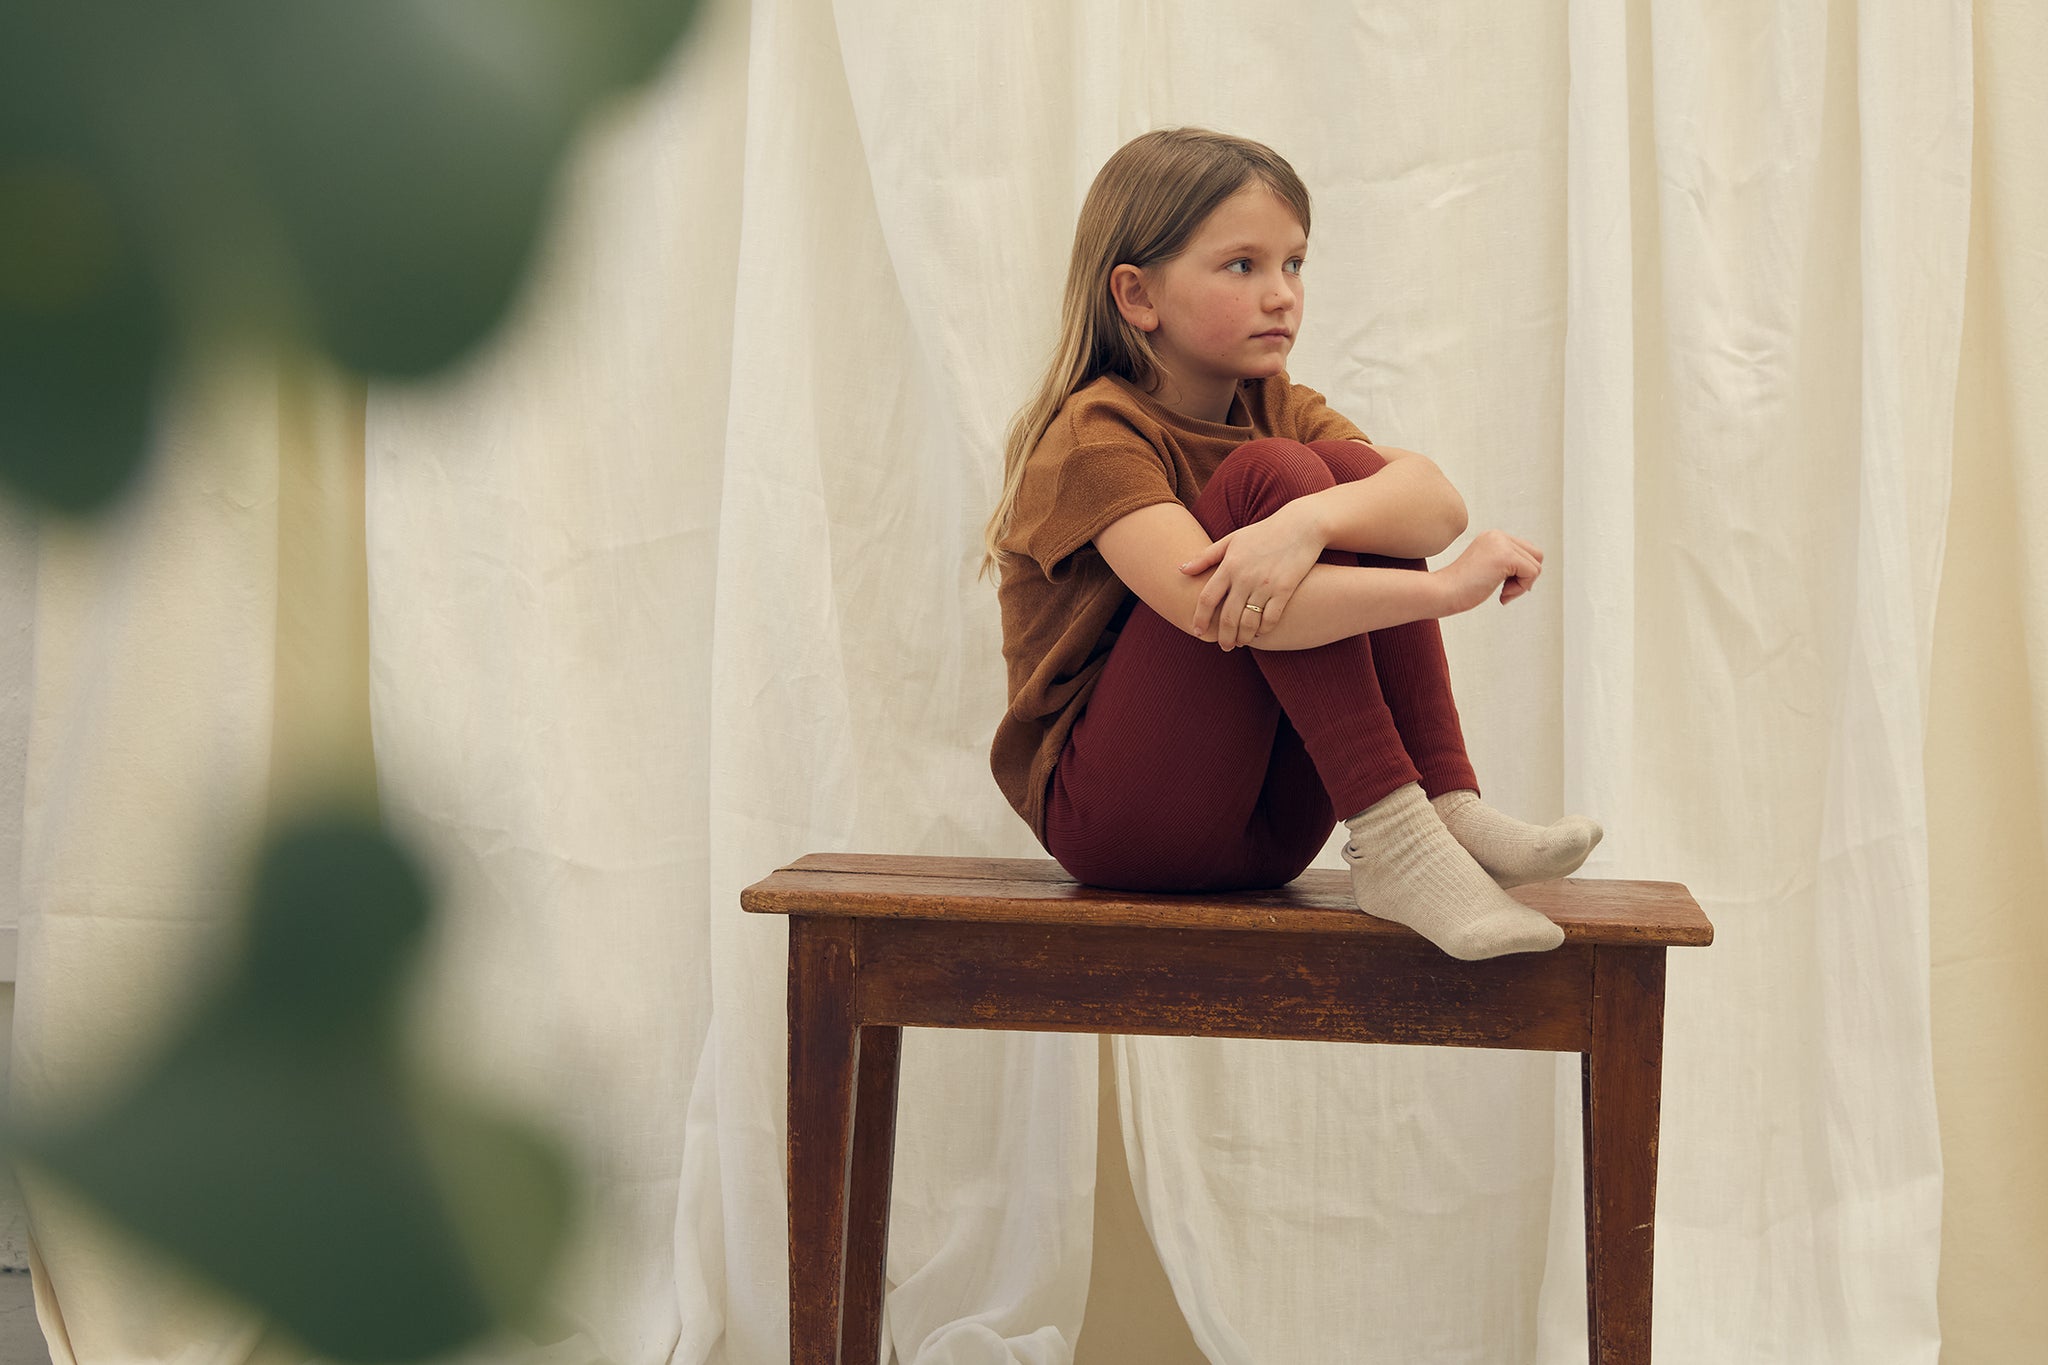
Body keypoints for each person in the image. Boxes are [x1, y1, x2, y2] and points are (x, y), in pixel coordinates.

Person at [982, 127, 1602, 962]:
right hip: (1120, 816)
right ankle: (1400, 838)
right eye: (1243, 265)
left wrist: (1310, 522)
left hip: (1272, 826)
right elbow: (1218, 611)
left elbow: (1434, 503)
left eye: (1295, 264)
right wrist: (1445, 591)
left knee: (1342, 474)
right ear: (1136, 295)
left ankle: (1442, 805)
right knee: (1273, 475)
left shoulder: (1275, 400)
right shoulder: (1095, 435)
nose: (1282, 295)